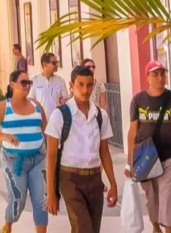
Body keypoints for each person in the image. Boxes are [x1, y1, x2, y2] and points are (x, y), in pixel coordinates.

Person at [44, 65, 118, 233]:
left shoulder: (100, 115)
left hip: (94, 178)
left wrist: (113, 183)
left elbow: (104, 153)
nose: (85, 90)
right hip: (70, 178)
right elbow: (51, 155)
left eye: (89, 85)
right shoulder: (60, 115)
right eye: (80, 85)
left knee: (92, 228)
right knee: (83, 228)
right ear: (71, 85)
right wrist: (51, 193)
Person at [126, 61, 171, 233]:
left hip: (170, 156)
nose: (160, 77)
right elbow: (132, 132)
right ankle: (155, 225)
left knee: (169, 199)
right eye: (155, 74)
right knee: (153, 199)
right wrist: (130, 162)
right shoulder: (138, 100)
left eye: (162, 74)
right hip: (146, 157)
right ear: (147, 77)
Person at [0, 70, 48, 233]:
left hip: (38, 158)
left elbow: (47, 130)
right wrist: (5, 136)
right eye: (23, 82)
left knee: (41, 201)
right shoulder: (3, 107)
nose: (27, 86)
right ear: (12, 84)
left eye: (29, 83)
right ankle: (8, 224)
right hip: (14, 161)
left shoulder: (36, 106)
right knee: (18, 200)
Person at [30, 53, 67, 122]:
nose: (56, 65)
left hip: (57, 120)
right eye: (54, 63)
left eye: (57, 62)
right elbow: (31, 101)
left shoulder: (60, 80)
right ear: (45, 65)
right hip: (41, 120)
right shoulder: (35, 81)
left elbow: (65, 100)